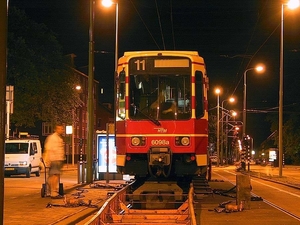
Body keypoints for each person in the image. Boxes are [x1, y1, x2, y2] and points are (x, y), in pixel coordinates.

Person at [44, 124, 65, 199]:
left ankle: (50, 190)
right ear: (56, 129)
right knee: (55, 176)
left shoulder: (59, 138)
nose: (62, 130)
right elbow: (48, 149)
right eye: (60, 129)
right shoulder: (53, 138)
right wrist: (46, 159)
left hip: (58, 159)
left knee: (53, 175)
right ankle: (54, 192)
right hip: (55, 159)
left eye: (62, 129)